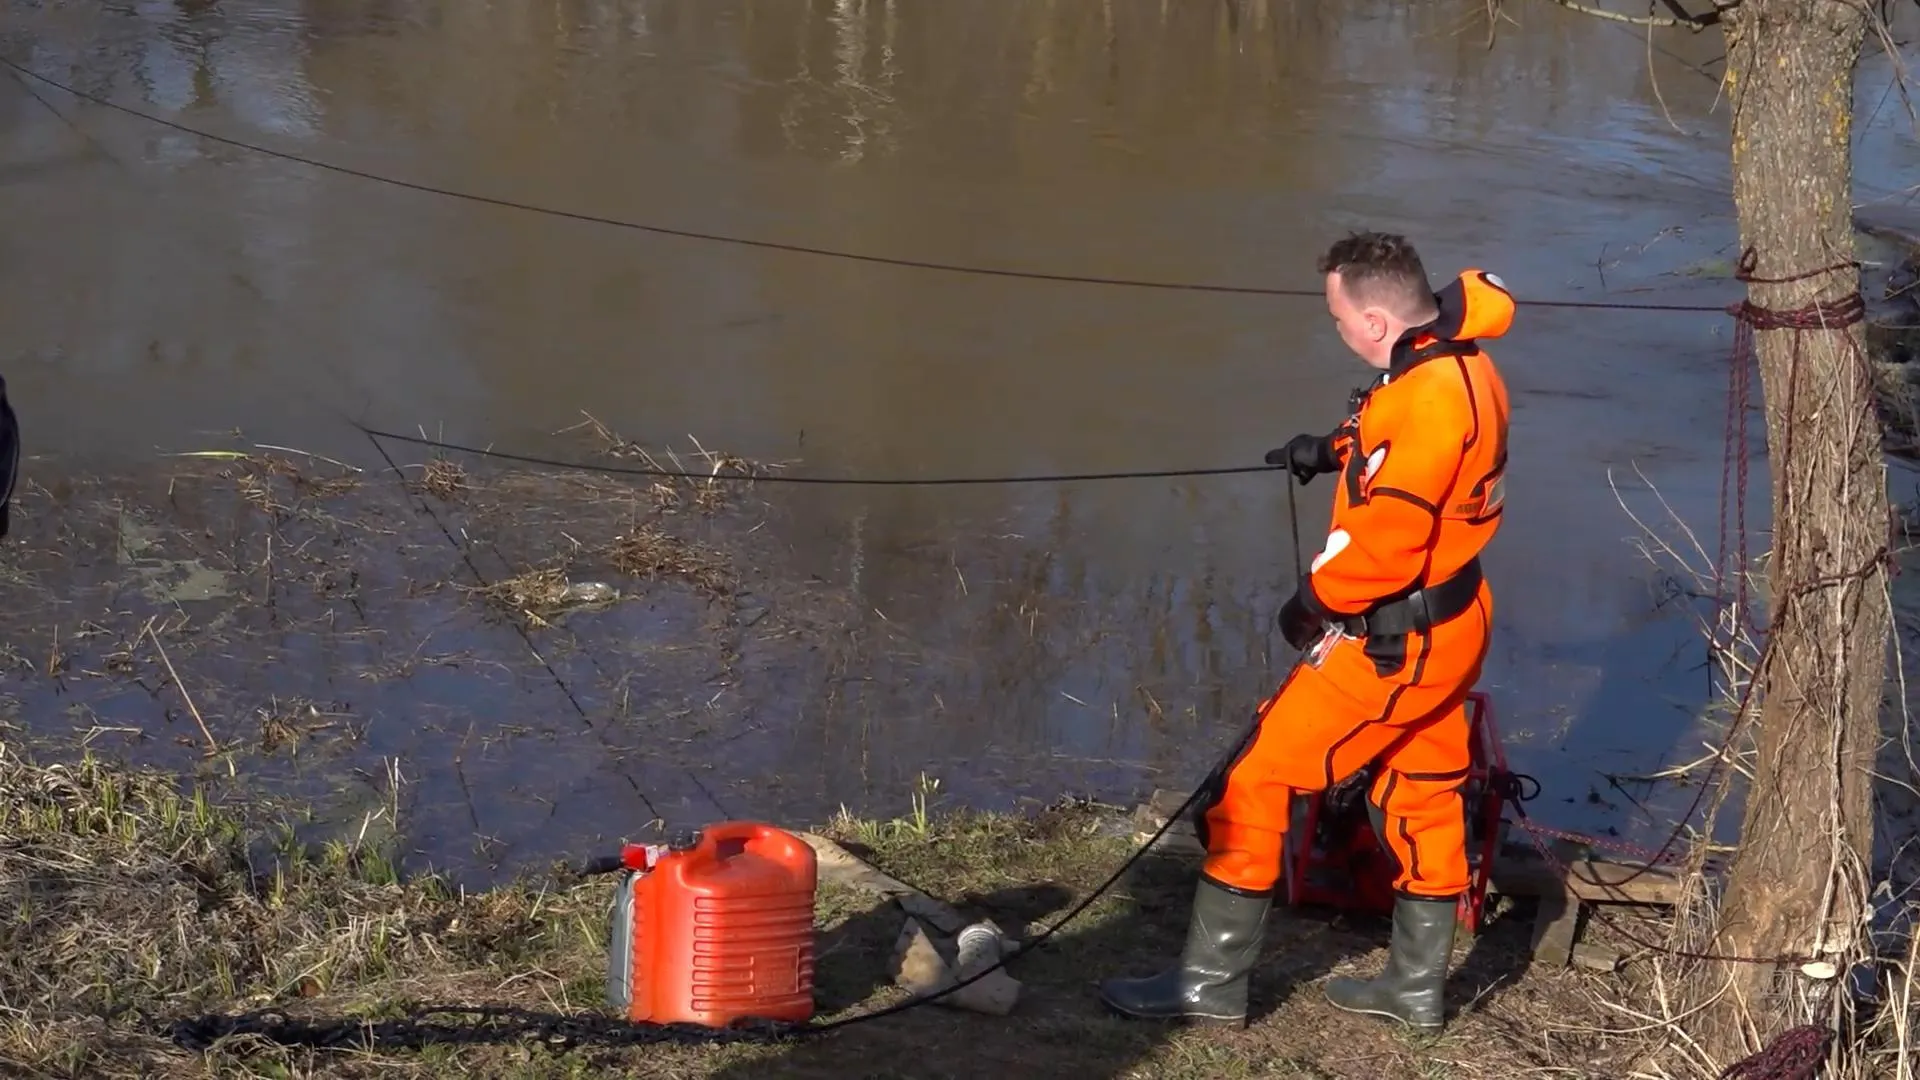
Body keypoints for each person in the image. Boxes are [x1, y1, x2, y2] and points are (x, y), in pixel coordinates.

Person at [1098, 231, 1513, 1032]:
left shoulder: (1428, 401)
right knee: (1422, 791)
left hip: (1396, 641)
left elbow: (1390, 542)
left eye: (1336, 316)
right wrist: (1334, 450)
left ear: (1374, 319)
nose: (1334, 329)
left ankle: (1208, 987)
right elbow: (1420, 453)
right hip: (1457, 621)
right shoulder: (1461, 359)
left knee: (1252, 783)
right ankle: (1415, 991)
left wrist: (1313, 603)